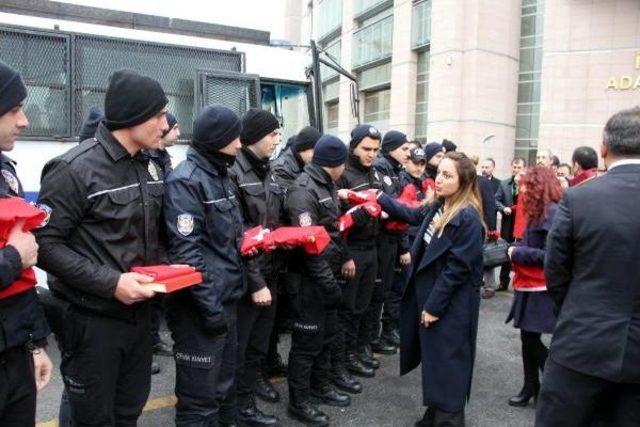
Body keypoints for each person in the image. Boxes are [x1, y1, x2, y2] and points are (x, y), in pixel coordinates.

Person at [35, 70, 169, 425]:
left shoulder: (149, 165)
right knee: (91, 419)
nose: (166, 123)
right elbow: (45, 246)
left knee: (129, 411)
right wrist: (111, 283)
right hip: (92, 322)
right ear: (133, 117)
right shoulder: (73, 169)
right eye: (158, 115)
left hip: (142, 318)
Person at [536, 107, 640, 427]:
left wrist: (578, 311)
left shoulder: (580, 198)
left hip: (581, 345)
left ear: (604, 148)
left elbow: (555, 270)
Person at [378, 151, 485, 427]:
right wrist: (378, 198)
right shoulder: (440, 204)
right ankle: (434, 416)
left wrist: (433, 307)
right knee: (437, 363)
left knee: (449, 366)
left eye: (448, 176)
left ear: (463, 182)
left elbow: (456, 271)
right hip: (431, 296)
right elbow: (411, 214)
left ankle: (447, 420)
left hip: (451, 305)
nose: (439, 179)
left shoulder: (468, 218)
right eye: (439, 172)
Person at [162, 106, 245, 427]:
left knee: (224, 388)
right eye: (234, 137)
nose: (239, 144)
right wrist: (210, 310)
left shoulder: (220, 175)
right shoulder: (187, 180)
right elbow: (187, 253)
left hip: (225, 301)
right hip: (201, 308)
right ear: (217, 139)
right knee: (199, 400)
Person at [0, 59, 53, 426]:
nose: (25, 121)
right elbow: (17, 260)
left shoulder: (4, 173)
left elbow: (23, 281)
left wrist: (33, 344)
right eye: (14, 109)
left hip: (13, 354)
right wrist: (13, 257)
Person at [285, 134, 351, 426]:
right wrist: (329, 286)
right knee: (306, 344)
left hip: (327, 278)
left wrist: (341, 264)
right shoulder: (303, 191)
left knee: (326, 338)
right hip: (310, 282)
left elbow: (333, 231)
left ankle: (320, 387)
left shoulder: (328, 184)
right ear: (334, 164)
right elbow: (310, 249)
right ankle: (299, 402)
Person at [229, 108, 284, 426]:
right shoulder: (235, 172)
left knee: (258, 346)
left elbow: (270, 222)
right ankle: (236, 409)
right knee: (240, 348)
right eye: (272, 134)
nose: (277, 140)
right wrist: (255, 281)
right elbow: (237, 235)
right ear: (253, 137)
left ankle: (247, 405)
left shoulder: (269, 171)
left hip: (271, 271)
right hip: (249, 278)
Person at [267, 125, 321, 381]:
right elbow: (290, 206)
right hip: (278, 251)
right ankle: (267, 362)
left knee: (279, 314)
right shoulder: (282, 169)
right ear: (304, 149)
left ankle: (270, 359)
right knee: (271, 318)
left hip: (290, 252)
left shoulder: (297, 166)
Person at [505, 166, 562, 407]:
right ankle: (532, 387)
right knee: (528, 337)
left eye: (527, 184)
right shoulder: (541, 209)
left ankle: (550, 384)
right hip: (530, 284)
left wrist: (517, 252)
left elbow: (551, 255)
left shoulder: (552, 212)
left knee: (531, 339)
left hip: (541, 286)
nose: (522, 188)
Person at [333, 124, 382, 389]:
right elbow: (335, 222)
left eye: (375, 150)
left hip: (372, 249)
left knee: (362, 307)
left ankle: (353, 354)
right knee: (346, 311)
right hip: (351, 250)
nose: (371, 154)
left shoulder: (373, 172)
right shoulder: (343, 174)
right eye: (366, 148)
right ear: (353, 146)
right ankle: (339, 364)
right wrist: (344, 256)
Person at [370, 130, 412, 355]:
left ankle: (382, 333)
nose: (408, 153)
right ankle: (372, 338)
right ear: (391, 148)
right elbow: (393, 209)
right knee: (377, 292)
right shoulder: (381, 168)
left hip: (392, 239)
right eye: (404, 149)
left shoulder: (395, 171)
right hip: (381, 240)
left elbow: (400, 209)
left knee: (387, 290)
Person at [495, 157, 526, 290]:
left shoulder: (527, 184)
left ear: (524, 168)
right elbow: (495, 200)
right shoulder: (504, 183)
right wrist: (503, 208)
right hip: (508, 221)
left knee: (521, 251)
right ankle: (503, 281)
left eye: (519, 167)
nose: (516, 169)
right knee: (506, 251)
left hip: (522, 223)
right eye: (514, 167)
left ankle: (520, 280)